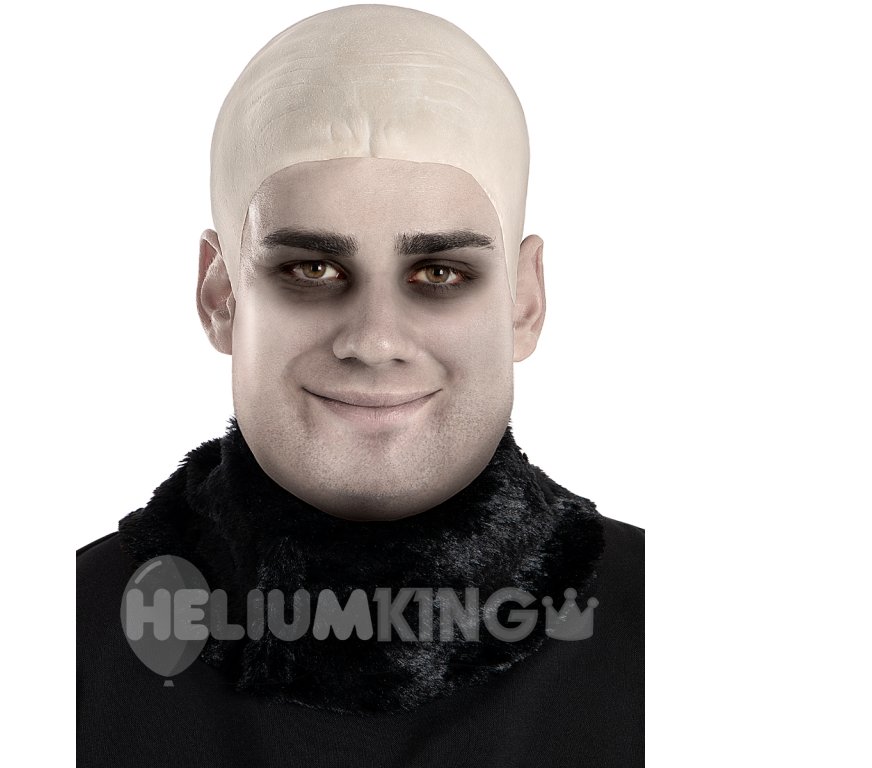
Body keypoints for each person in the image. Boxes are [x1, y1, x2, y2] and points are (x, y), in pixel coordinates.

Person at [77, 4, 644, 766]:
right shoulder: (62, 645)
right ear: (221, 296)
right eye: (311, 269)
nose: (375, 340)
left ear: (525, 303)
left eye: (439, 273)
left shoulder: (673, 635)